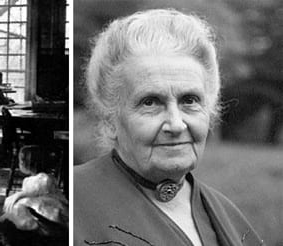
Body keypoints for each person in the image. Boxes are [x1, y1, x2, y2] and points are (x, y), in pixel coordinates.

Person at [75, 9, 263, 245]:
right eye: (150, 102)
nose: (176, 124)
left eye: (190, 100)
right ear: (110, 120)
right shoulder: (73, 203)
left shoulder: (229, 216)